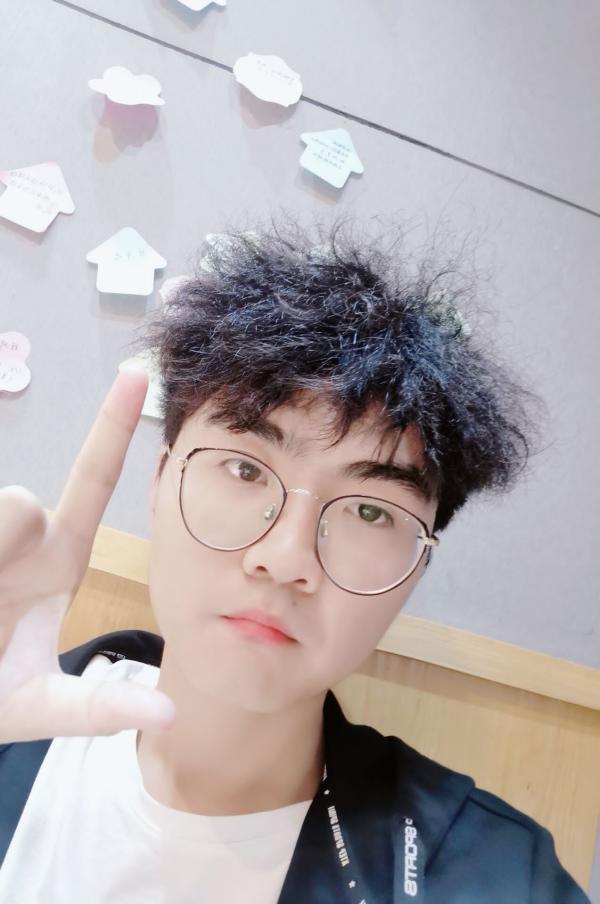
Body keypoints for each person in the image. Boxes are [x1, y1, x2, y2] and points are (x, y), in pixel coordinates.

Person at [0, 217, 591, 902]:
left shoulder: (498, 876)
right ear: (160, 481)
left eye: (370, 511)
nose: (286, 560)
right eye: (246, 470)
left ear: (418, 566)